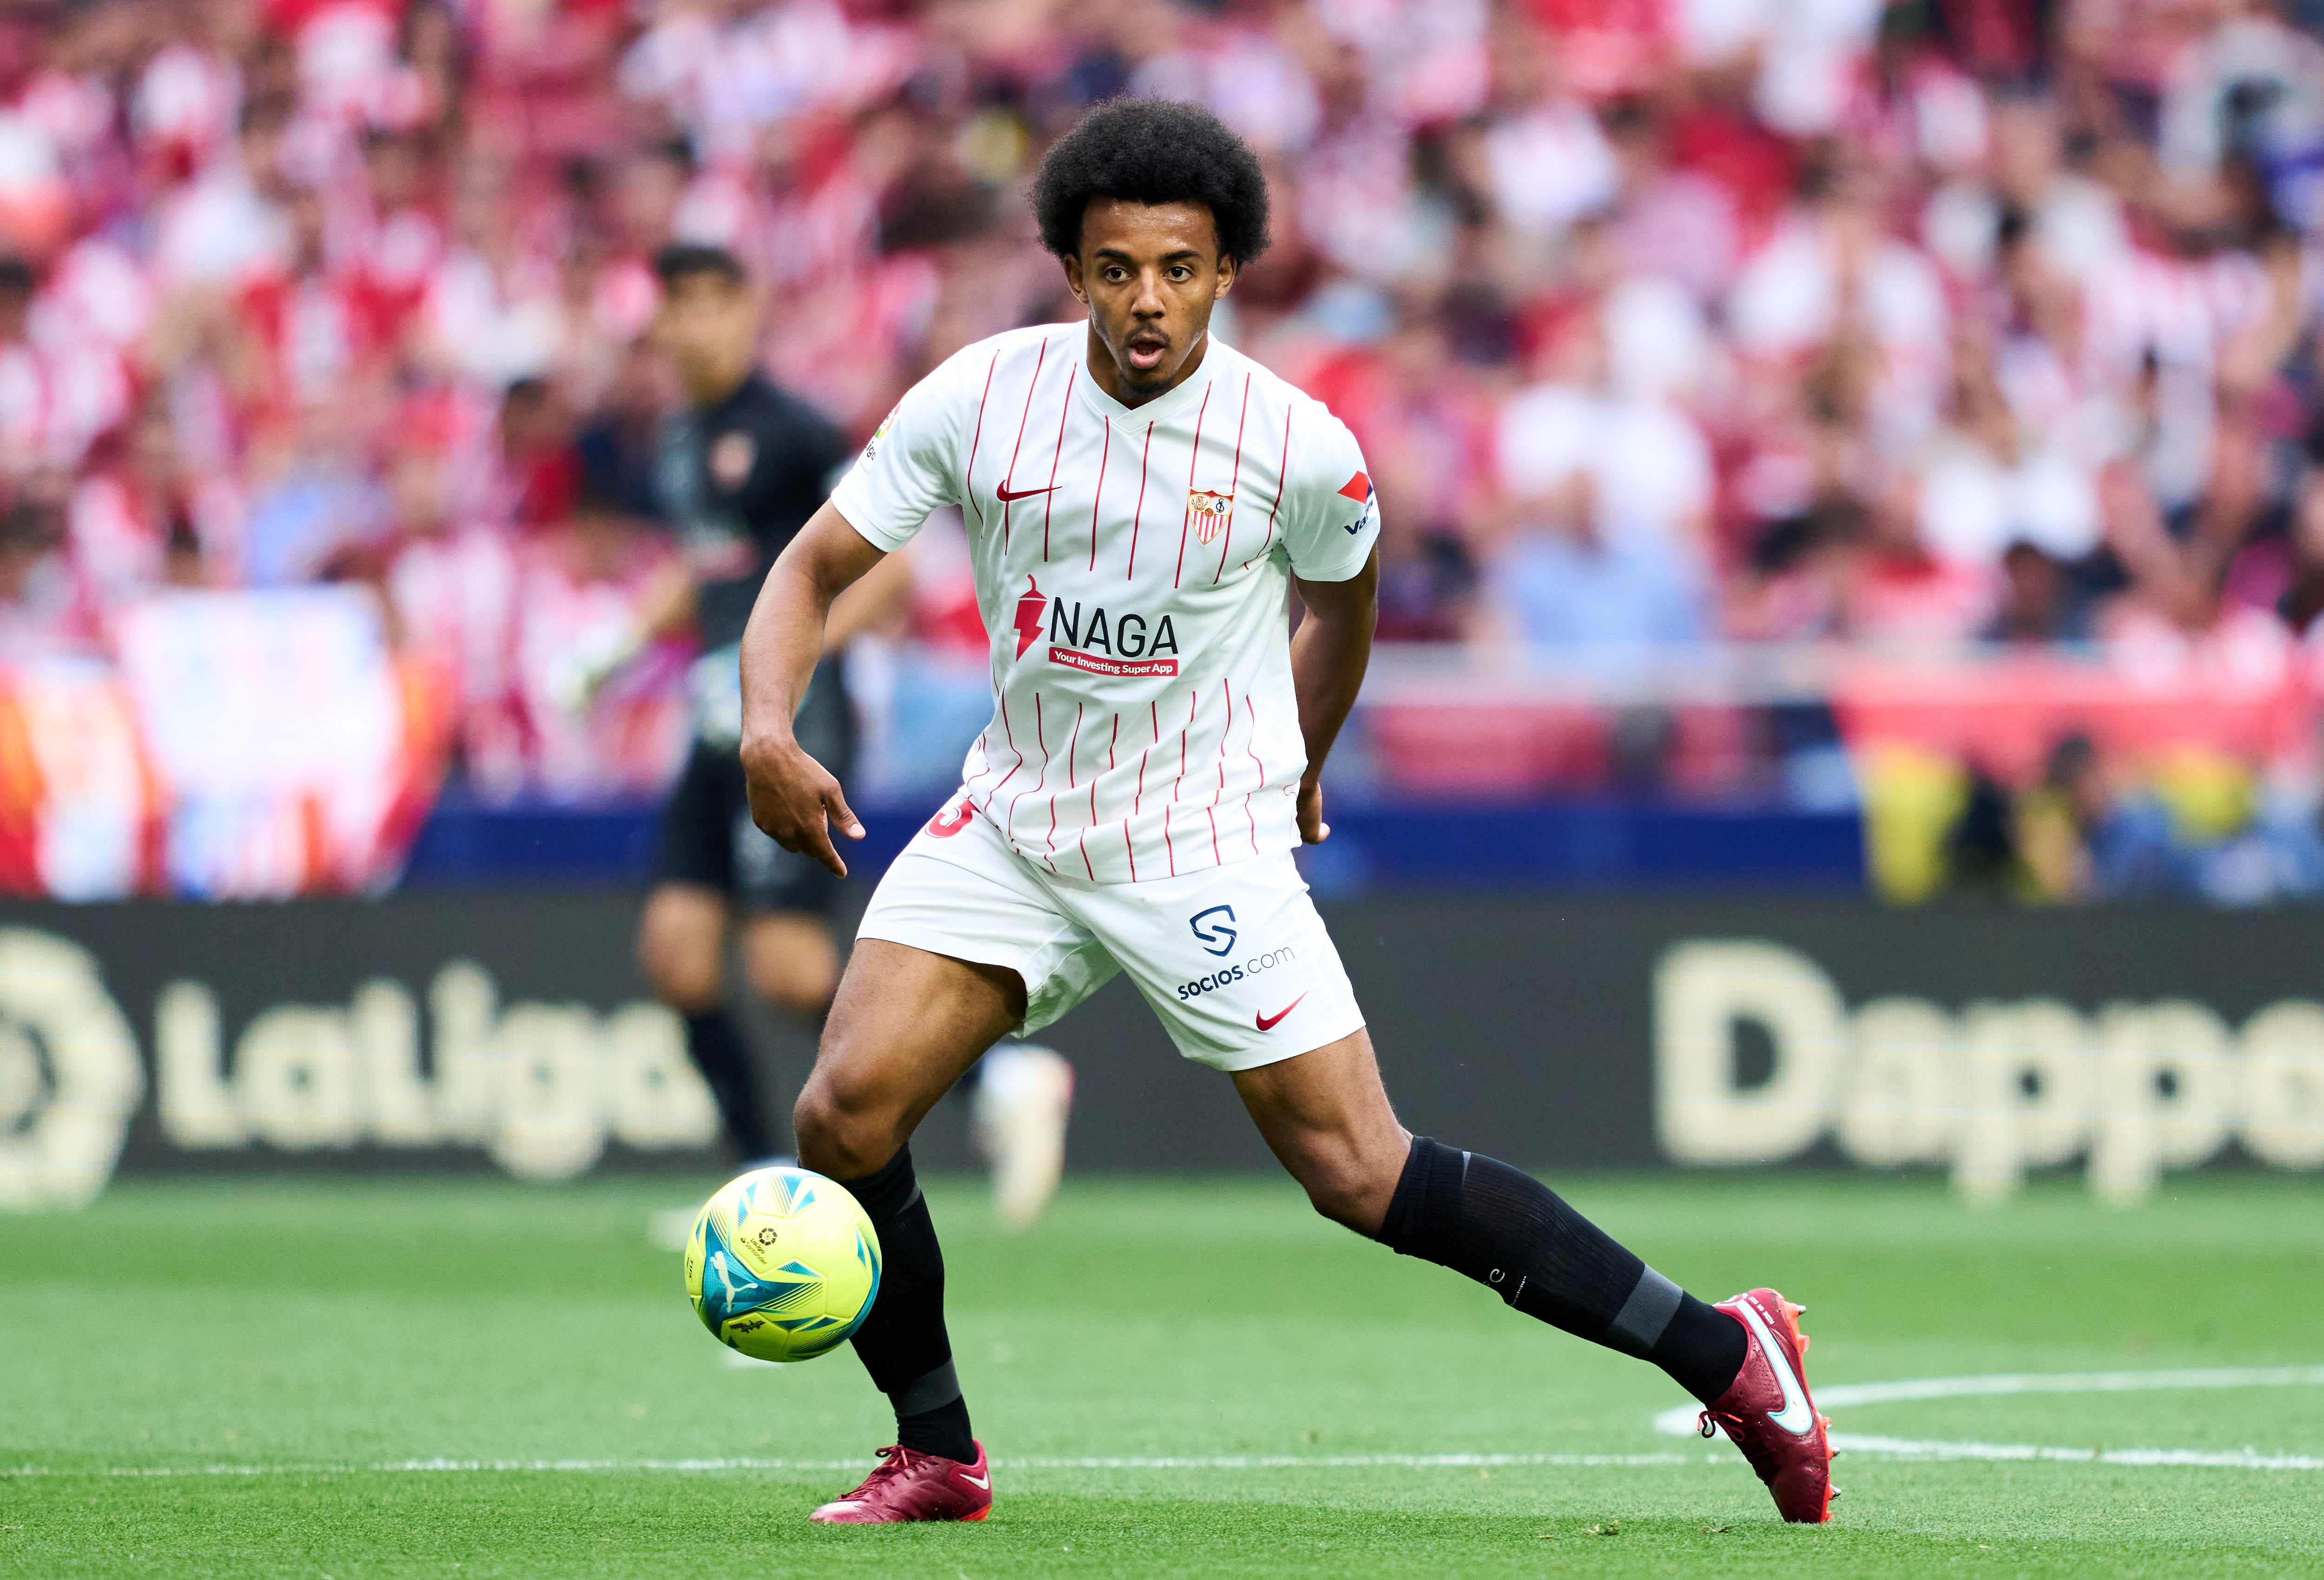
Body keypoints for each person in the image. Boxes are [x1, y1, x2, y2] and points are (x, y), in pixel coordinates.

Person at [736, 100, 1837, 1527]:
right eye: (1118, 267)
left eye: (1179, 269)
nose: (1148, 300)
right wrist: (766, 726)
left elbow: (1347, 603)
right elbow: (812, 569)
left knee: (1358, 1174)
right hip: (1014, 820)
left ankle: (1730, 1351)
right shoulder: (979, 395)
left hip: (1200, 837)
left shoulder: (1294, 444)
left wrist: (1305, 757)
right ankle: (938, 1453)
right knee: (845, 1115)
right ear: (1072, 268)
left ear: (1226, 272)